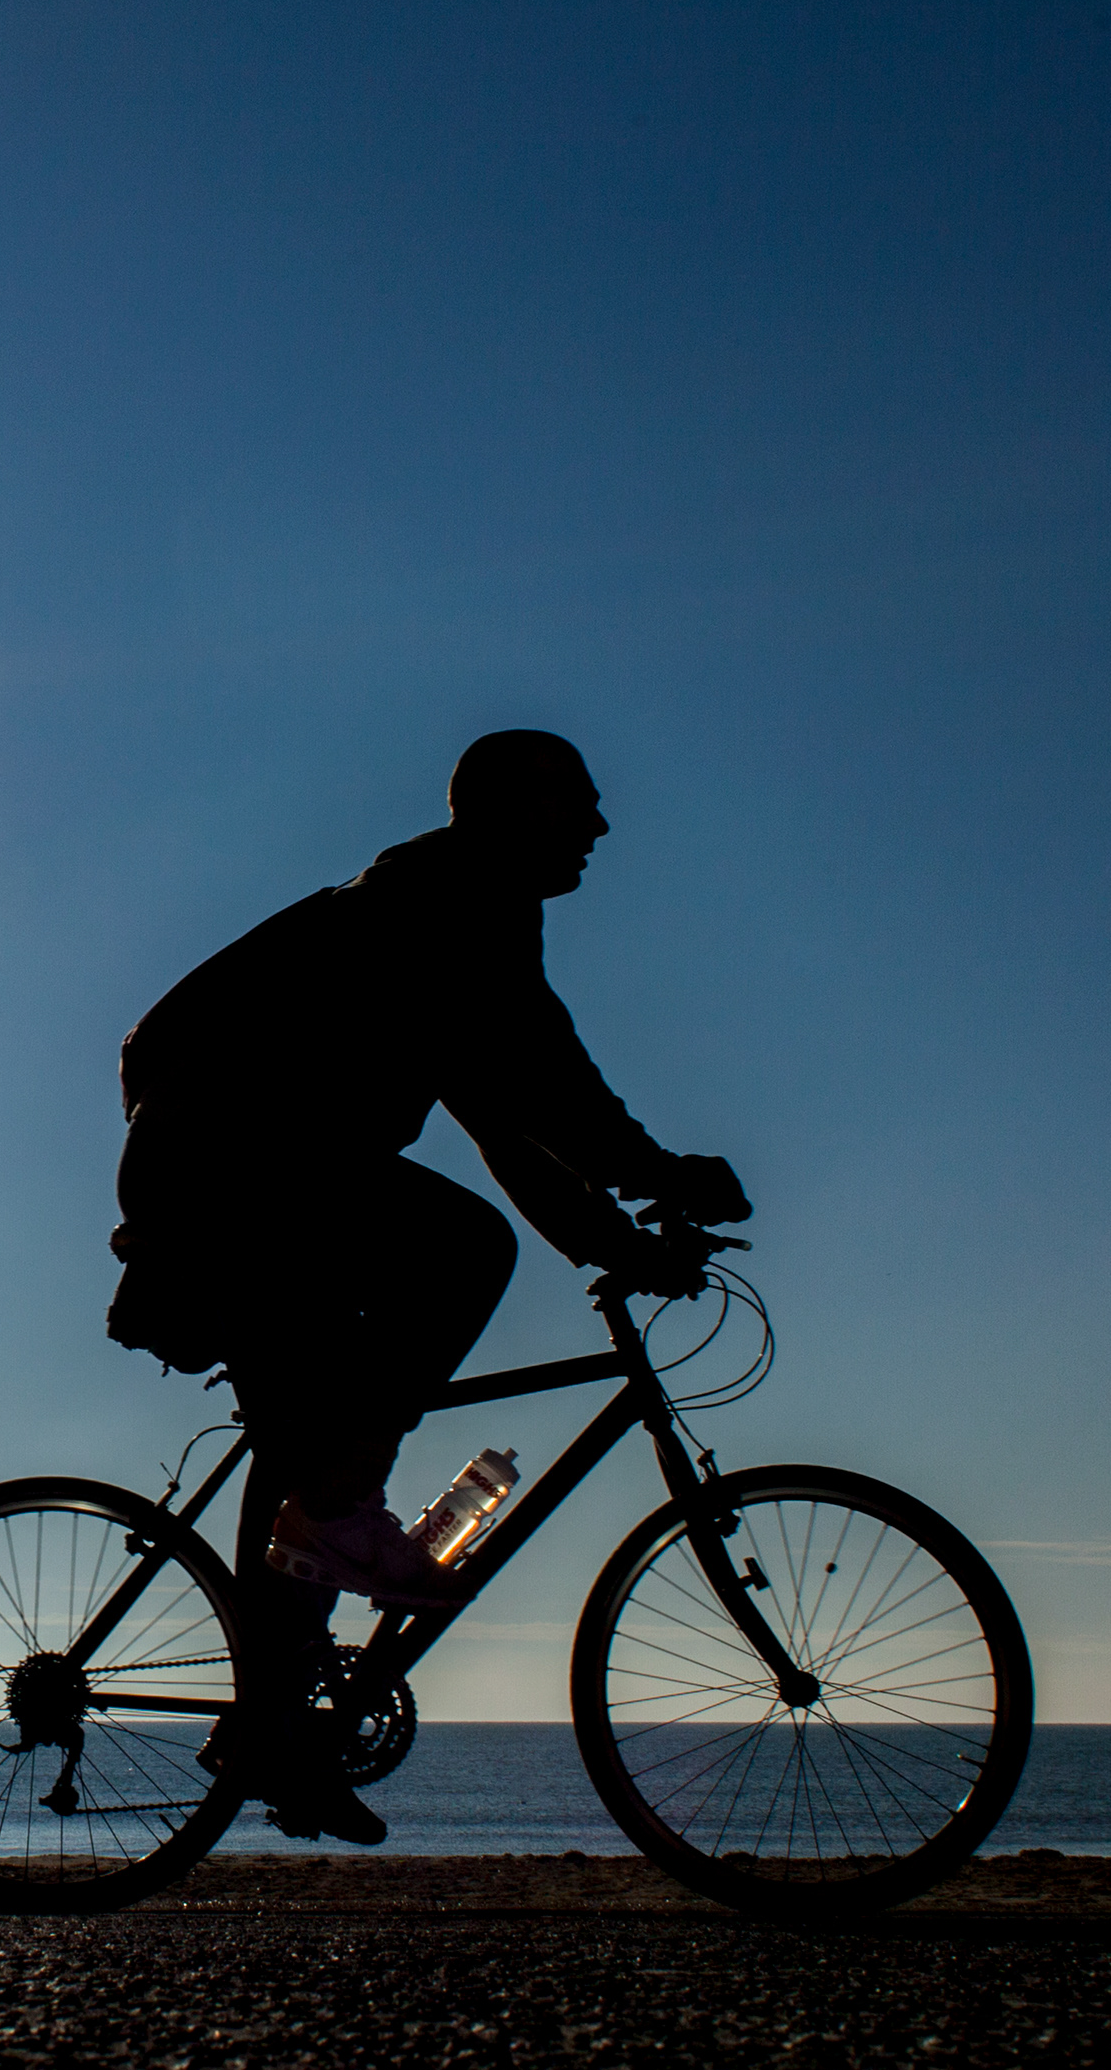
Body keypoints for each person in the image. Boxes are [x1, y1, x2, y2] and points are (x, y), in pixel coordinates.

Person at [107, 730, 747, 1841]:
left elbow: (502, 1116)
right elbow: (547, 1086)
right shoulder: (451, 899)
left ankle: (274, 1726)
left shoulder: (464, 912)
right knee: (464, 1253)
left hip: (247, 1160)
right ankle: (335, 1539)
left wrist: (617, 1241)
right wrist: (658, 1176)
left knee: (312, 1440)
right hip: (229, 1157)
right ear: (503, 808)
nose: (600, 825)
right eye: (577, 803)